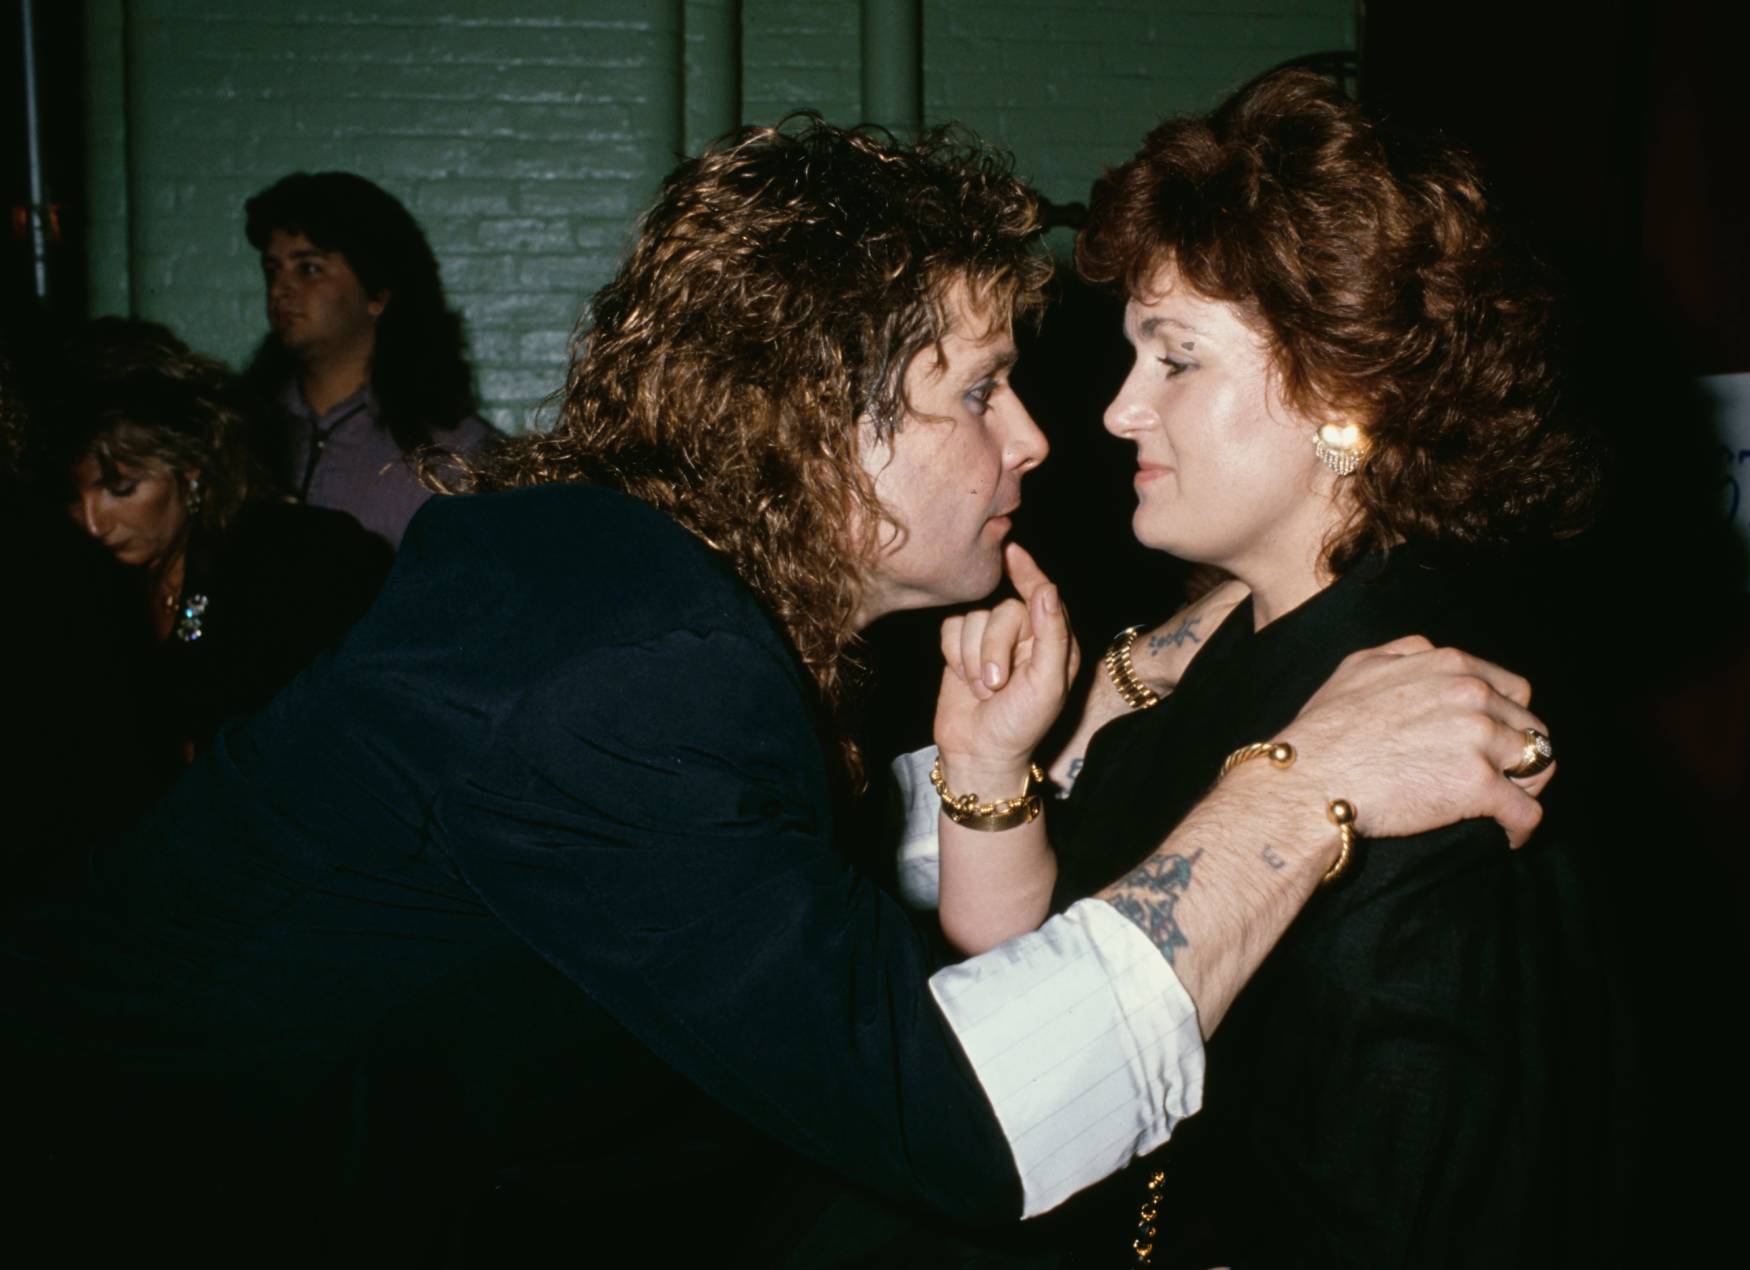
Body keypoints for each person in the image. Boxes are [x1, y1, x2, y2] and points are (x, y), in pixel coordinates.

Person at [3, 118, 1553, 1262]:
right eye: (976, 389)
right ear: (819, 425)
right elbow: (966, 1115)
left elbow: (724, 881)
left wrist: (1014, 764)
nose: (1036, 438)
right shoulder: (631, 673)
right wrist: (1297, 789)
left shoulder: (613, 582)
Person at [923, 70, 1628, 1265]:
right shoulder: (1228, 659)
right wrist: (992, 762)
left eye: (1175, 358)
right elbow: (1052, 977)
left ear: (1342, 395)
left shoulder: (1419, 747)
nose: (1118, 411)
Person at [10, 319, 391, 839]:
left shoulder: (293, 562)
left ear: (190, 465)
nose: (94, 523)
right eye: (74, 499)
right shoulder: (73, 589)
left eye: (121, 488)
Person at [240, 171, 496, 546]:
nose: (280, 290)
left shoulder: (453, 452)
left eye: (309, 269)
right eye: (272, 270)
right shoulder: (239, 429)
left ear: (376, 295)